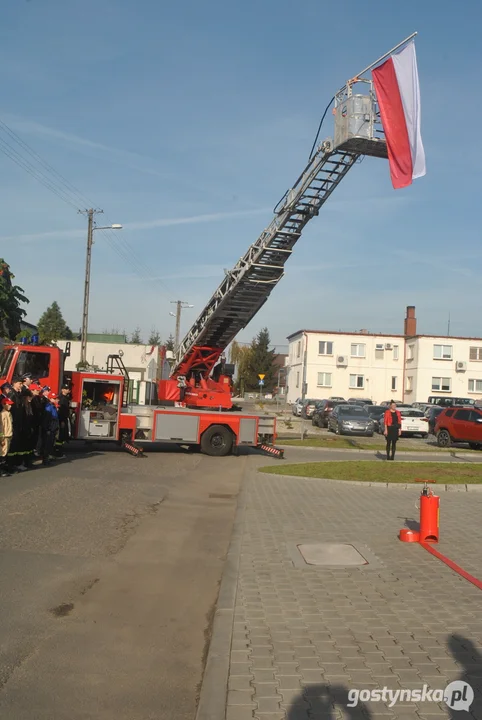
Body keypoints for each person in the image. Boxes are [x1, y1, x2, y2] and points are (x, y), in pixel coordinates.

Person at [41, 391, 59, 466]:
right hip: (50, 428)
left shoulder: (53, 406)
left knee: (50, 444)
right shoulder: (48, 407)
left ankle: (47, 458)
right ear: (50, 399)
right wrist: (47, 429)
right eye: (54, 398)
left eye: (56, 398)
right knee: (47, 445)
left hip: (53, 427)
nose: (56, 400)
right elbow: (46, 419)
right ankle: (45, 459)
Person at [55, 383, 70, 457]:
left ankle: (59, 452)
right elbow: (61, 411)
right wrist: (62, 421)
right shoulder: (62, 398)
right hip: (62, 420)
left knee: (62, 436)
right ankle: (58, 453)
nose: (68, 390)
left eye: (68, 389)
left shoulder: (65, 398)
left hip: (63, 419)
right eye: (66, 389)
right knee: (60, 437)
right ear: (62, 390)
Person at [0, 396, 14, 477]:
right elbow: (1, 428)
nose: (10, 406)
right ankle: (1, 470)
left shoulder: (9, 413)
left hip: (9, 436)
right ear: (3, 405)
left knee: (6, 453)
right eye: (8, 404)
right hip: (4, 437)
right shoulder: (2, 414)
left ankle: (4, 468)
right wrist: (1, 438)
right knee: (2, 453)